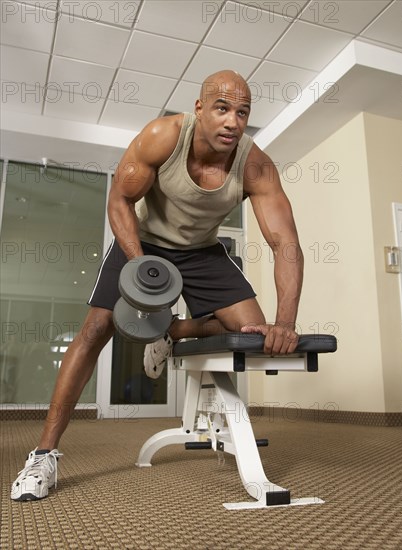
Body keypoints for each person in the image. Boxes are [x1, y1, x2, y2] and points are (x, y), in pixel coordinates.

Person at [11, 70, 304, 501]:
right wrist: (142, 270)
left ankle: (173, 332)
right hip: (143, 242)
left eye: (242, 113)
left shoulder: (254, 164)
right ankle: (43, 455)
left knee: (249, 336)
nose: (232, 122)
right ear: (200, 108)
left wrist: (286, 322)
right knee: (95, 330)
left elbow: (286, 245)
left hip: (203, 251)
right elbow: (120, 200)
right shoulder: (163, 136)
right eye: (222, 108)